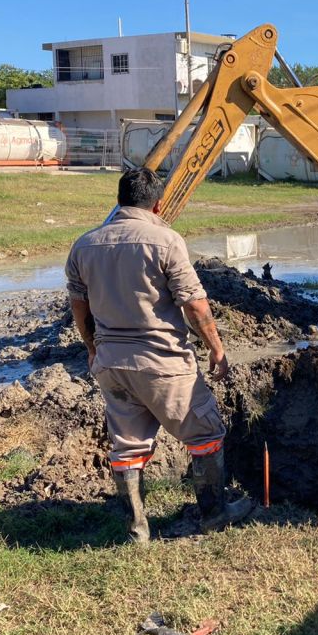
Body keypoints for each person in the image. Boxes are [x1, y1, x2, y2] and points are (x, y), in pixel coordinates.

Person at [66, 167, 253, 542]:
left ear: (119, 199)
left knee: (128, 445)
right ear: (158, 203)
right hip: (163, 362)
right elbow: (195, 305)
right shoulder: (165, 241)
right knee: (206, 433)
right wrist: (216, 348)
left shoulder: (84, 245)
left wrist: (92, 349)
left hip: (112, 365)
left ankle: (136, 530)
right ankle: (215, 514)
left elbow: (79, 307)